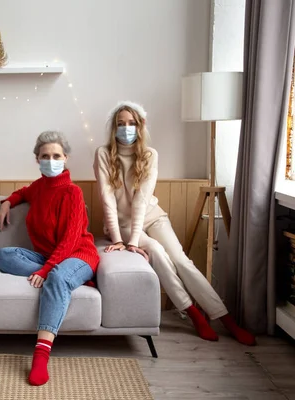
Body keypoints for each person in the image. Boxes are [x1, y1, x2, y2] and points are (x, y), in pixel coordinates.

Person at [93, 101, 255, 346]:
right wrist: (121, 240)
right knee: (157, 252)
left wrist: (135, 242)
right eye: (121, 124)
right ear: (113, 128)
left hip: (153, 215)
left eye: (131, 123)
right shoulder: (103, 153)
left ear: (140, 126)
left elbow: (142, 200)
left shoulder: (150, 155)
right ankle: (192, 313)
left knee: (181, 260)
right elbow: (107, 199)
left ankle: (225, 318)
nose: (126, 128)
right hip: (122, 224)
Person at [0, 131, 100, 386]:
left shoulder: (73, 193)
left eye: (56, 156)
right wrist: (7, 202)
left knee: (57, 276)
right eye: (45, 156)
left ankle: (41, 355)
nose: (50, 160)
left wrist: (46, 271)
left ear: (65, 158)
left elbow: (70, 240)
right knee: (3, 256)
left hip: (79, 254)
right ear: (37, 159)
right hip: (48, 257)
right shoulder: (39, 187)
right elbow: (22, 193)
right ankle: (60, 278)